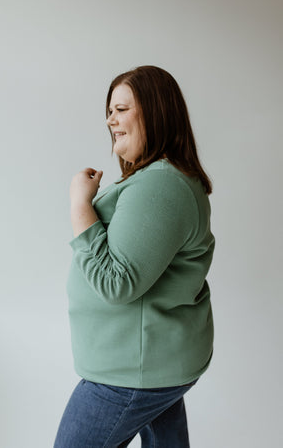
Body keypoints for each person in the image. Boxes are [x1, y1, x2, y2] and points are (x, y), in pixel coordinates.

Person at [53, 65, 215, 448]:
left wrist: (79, 204)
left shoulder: (160, 184)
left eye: (122, 109)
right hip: (147, 364)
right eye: (109, 111)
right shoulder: (160, 178)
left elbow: (116, 282)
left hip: (128, 373)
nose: (110, 119)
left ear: (155, 112)